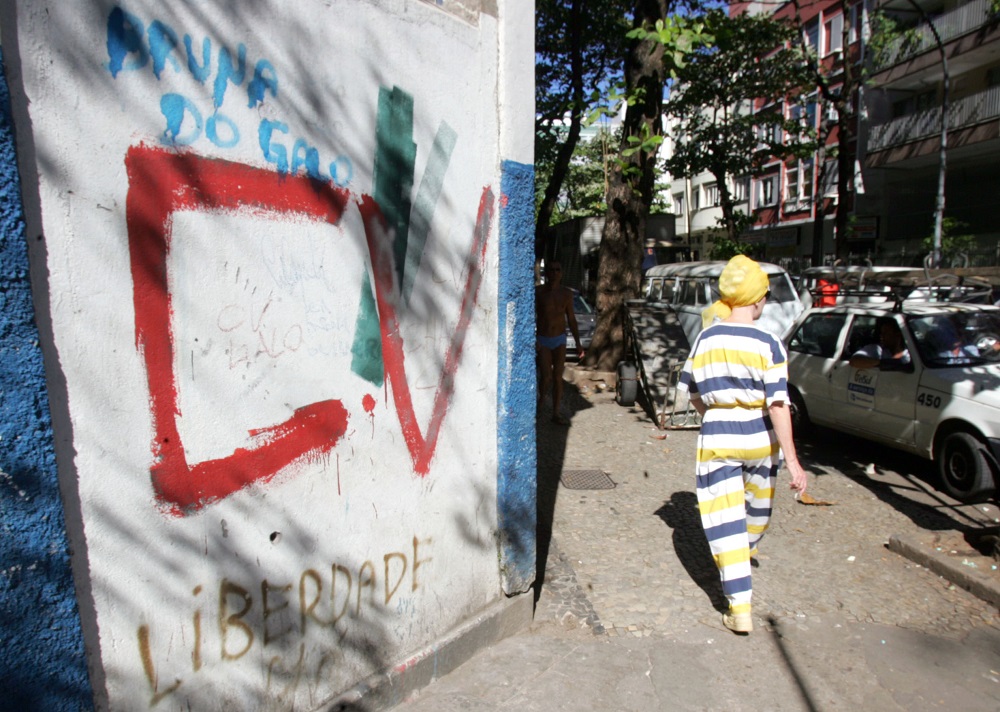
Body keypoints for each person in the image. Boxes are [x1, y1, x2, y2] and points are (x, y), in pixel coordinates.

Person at [677, 255, 808, 635]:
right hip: (760, 435)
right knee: (756, 512)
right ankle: (745, 552)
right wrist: (795, 462)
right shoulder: (770, 343)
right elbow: (778, 405)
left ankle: (739, 607)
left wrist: (713, 415)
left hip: (718, 434)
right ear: (756, 301)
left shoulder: (706, 337)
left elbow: (691, 393)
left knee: (725, 519)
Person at [536, 261, 583, 425]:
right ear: (547, 273)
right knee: (546, 376)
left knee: (557, 377)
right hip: (543, 338)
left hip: (560, 339)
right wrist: (534, 338)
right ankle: (541, 402)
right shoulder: (539, 292)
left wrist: (578, 343)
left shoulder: (566, 294)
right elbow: (532, 316)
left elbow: (571, 319)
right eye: (552, 270)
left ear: (561, 273)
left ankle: (555, 412)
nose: (555, 273)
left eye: (558, 270)